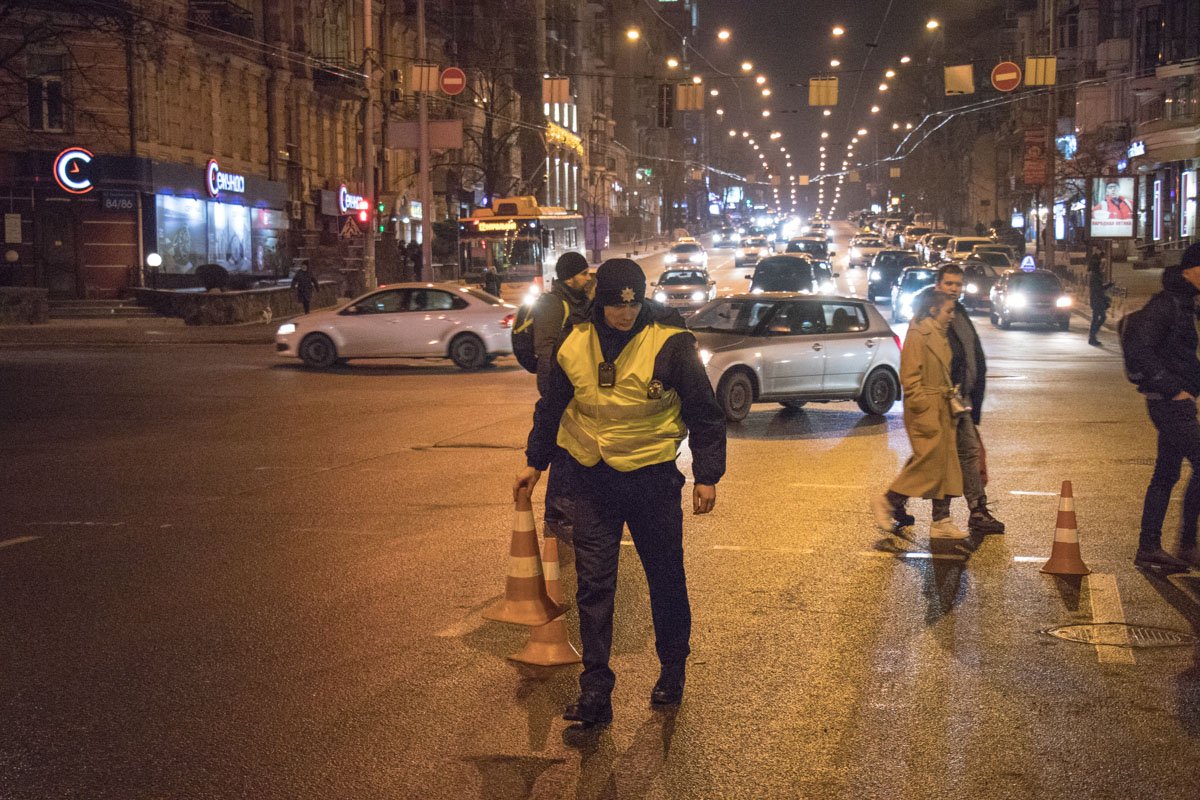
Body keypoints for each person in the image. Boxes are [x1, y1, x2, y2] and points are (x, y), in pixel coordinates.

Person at [514, 258, 726, 734]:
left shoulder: (670, 342)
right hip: (592, 478)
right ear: (600, 303)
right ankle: (596, 691)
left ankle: (673, 670)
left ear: (641, 299)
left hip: (651, 481)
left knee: (665, 580)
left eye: (632, 305)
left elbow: (704, 412)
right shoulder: (576, 341)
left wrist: (707, 476)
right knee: (594, 587)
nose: (625, 315)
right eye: (615, 306)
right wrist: (535, 461)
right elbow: (552, 408)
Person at [1125, 243, 1200, 570]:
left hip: (1175, 402)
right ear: (1192, 270)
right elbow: (1140, 349)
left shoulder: (1186, 303)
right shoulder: (1167, 304)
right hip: (1168, 403)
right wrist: (1175, 390)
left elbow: (1182, 356)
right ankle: (1186, 543)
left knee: (1166, 474)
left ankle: (1149, 546)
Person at [871, 289, 968, 540]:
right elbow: (910, 376)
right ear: (934, 310)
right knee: (929, 463)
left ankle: (941, 520)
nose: (952, 316)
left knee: (943, 464)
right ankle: (888, 500)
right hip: (927, 407)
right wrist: (922, 405)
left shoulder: (939, 332)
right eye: (948, 311)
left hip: (941, 406)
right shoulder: (919, 333)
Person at [925, 264, 1005, 534]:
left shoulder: (958, 312)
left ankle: (977, 510)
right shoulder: (932, 313)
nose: (954, 289)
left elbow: (972, 353)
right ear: (938, 285)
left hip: (961, 399)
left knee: (969, 453)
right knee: (941, 458)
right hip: (943, 399)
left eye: (958, 284)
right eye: (949, 284)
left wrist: (973, 394)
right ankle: (936, 515)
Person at [533, 252, 595, 541]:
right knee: (562, 453)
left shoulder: (583, 301)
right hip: (560, 386)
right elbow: (546, 349)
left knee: (579, 451)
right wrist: (550, 390)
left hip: (581, 386)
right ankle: (557, 517)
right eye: (583, 274)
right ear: (570, 276)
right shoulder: (552, 304)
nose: (587, 278)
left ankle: (575, 513)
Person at [1086, 246, 1113, 346]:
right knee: (1100, 318)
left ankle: (1092, 336)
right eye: (1102, 265)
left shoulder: (1095, 275)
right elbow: (1098, 289)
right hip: (1097, 300)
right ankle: (1092, 336)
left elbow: (1099, 288)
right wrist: (1107, 290)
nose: (1103, 267)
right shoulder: (1095, 276)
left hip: (1097, 300)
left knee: (1098, 318)